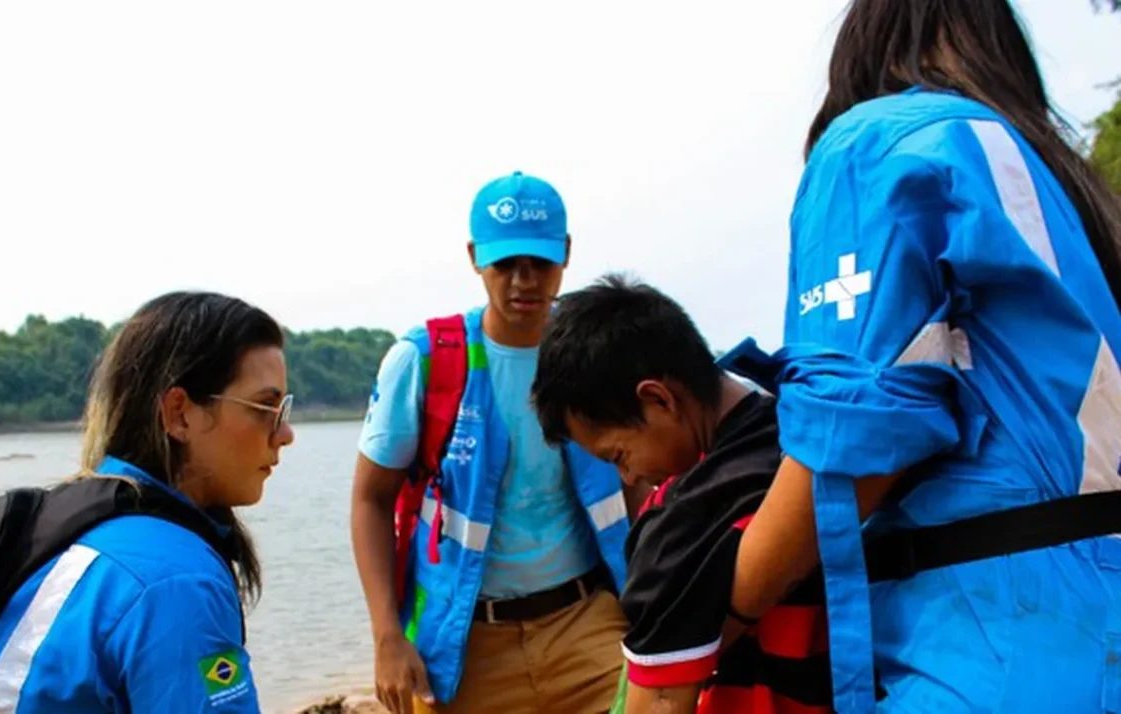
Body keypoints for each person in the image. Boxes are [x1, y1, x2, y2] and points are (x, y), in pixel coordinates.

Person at [709, 1, 1121, 712]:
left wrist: (725, 601)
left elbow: (857, 437)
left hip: (993, 644)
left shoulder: (874, 144)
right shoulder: (1064, 182)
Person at [350, 171, 639, 714]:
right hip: (464, 643)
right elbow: (371, 498)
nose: (523, 281)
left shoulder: (597, 357)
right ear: (474, 257)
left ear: (567, 255)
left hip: (588, 624)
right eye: (505, 263)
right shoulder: (426, 360)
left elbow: (639, 483)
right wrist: (387, 636)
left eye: (539, 263)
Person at [531, 274, 833, 714]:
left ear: (658, 399)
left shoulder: (681, 530)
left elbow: (658, 703)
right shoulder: (808, 430)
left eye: (619, 454)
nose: (629, 476)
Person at [0, 291, 295, 712]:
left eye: (284, 409)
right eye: (265, 407)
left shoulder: (58, 521)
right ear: (180, 413)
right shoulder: (177, 579)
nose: (285, 434)